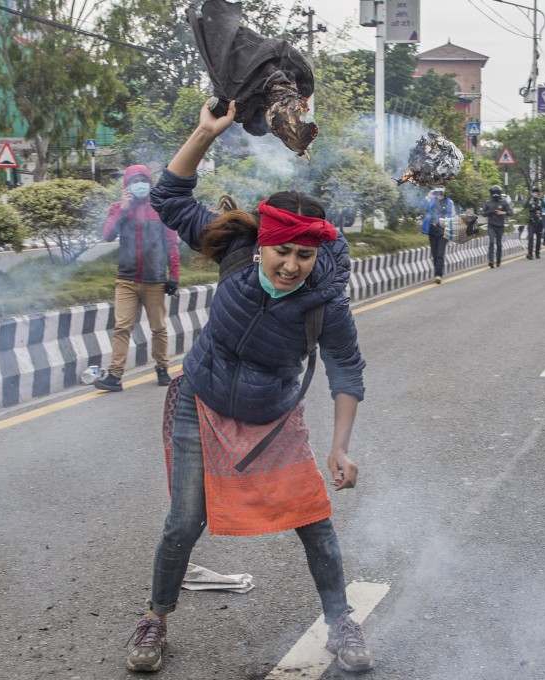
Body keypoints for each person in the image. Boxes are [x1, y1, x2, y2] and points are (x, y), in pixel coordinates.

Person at [125, 100, 371, 674]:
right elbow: (169, 198)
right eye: (282, 251)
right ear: (263, 243)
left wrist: (340, 446)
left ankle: (341, 622)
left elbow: (346, 369)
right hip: (202, 402)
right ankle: (154, 619)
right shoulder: (236, 251)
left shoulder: (326, 300)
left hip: (273, 417)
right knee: (184, 521)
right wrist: (204, 133)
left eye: (304, 256)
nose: (291, 266)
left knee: (314, 522)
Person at [93, 165, 181, 392]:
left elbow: (172, 244)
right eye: (135, 180)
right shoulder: (118, 208)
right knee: (121, 327)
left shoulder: (160, 209)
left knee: (158, 327)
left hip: (155, 280)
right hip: (126, 280)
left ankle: (162, 368)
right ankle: (115, 375)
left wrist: (174, 276)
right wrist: (123, 210)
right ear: (127, 185)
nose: (139, 184)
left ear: (150, 183)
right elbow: (107, 235)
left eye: (143, 180)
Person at [420, 186, 456, 283]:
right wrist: (428, 196)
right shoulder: (431, 200)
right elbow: (422, 206)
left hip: (443, 230)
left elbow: (453, 216)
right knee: (434, 254)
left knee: (440, 253)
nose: (438, 193)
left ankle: (438, 275)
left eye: (440, 190)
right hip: (432, 230)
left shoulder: (449, 202)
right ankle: (437, 272)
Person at [481, 185, 512, 268]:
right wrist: (491, 212)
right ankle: (491, 260)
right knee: (491, 242)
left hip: (500, 226)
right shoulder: (488, 203)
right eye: (493, 193)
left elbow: (511, 212)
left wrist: (502, 213)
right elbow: (483, 213)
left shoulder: (504, 202)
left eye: (496, 193)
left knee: (499, 243)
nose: (495, 195)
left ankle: (498, 260)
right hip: (491, 225)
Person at [523, 187, 544, 260]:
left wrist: (540, 198)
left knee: (538, 238)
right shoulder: (530, 200)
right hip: (531, 221)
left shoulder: (540, 200)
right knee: (530, 238)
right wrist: (529, 198)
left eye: (536, 192)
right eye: (533, 192)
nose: (535, 194)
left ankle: (537, 253)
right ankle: (530, 253)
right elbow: (525, 206)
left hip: (539, 221)